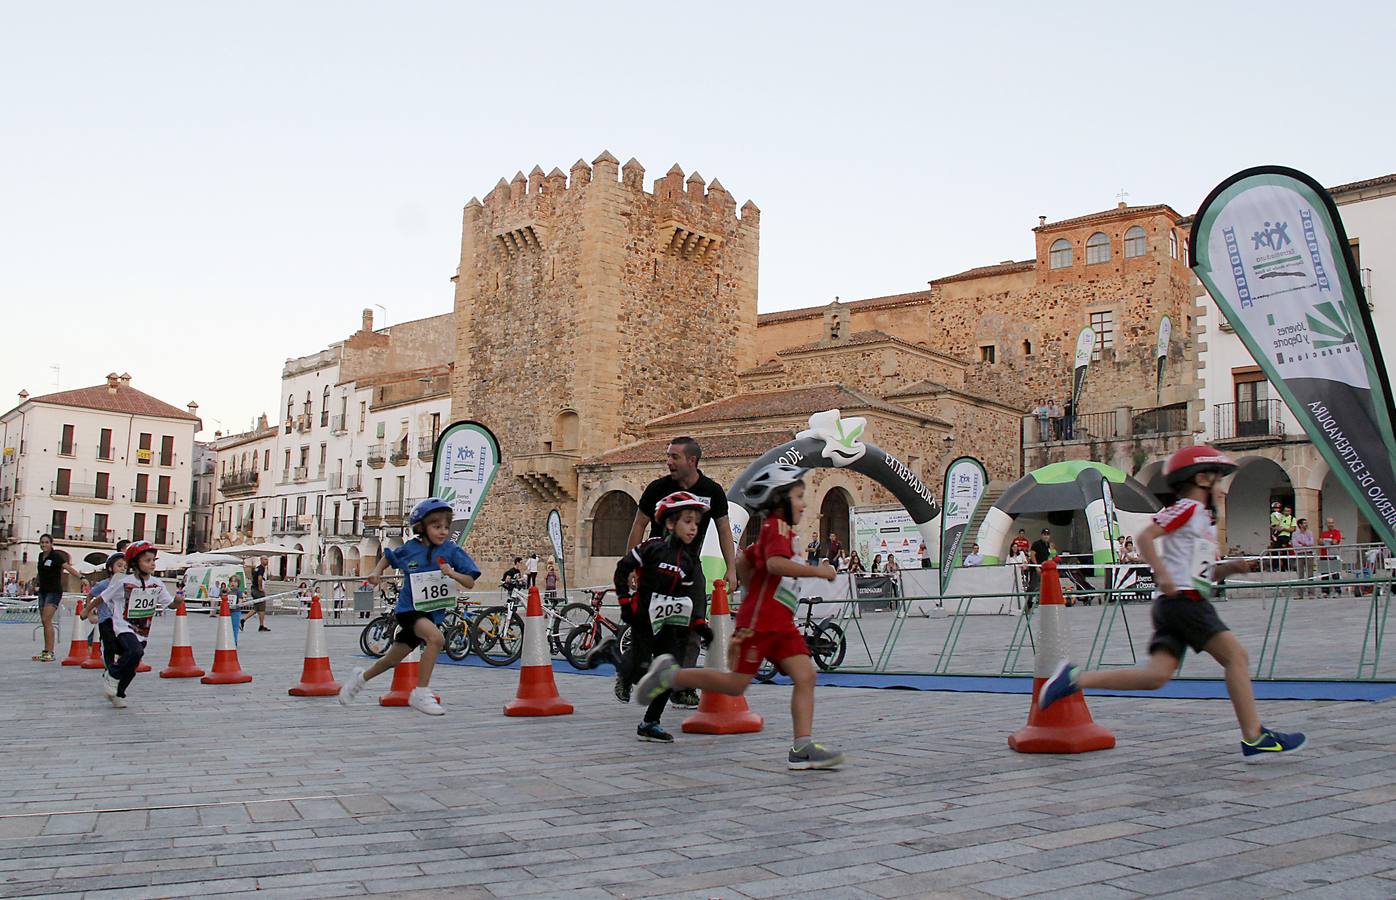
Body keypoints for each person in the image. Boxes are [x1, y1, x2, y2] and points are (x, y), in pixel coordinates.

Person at [1040, 445, 1306, 759]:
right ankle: (1253, 735)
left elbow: (1200, 573)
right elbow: (1146, 537)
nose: (1220, 486)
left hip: (1177, 602)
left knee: (1155, 676)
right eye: (1217, 478)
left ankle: (1072, 679)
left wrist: (1228, 569)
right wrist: (1162, 572)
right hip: (1184, 603)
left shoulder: (1201, 522)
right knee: (1237, 657)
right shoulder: (1188, 509)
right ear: (1203, 478)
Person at [634, 463, 844, 770]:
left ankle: (802, 746)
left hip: (779, 623)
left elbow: (749, 560)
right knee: (734, 684)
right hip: (762, 626)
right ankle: (671, 677)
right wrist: (819, 571)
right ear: (780, 499)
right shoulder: (777, 527)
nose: (804, 503)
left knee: (805, 676)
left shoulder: (783, 532)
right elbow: (774, 564)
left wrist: (750, 593)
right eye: (799, 496)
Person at [339, 498, 480, 716]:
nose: (442, 531)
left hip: (431, 614)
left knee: (392, 660)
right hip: (408, 610)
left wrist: (452, 573)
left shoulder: (452, 551)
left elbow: (470, 581)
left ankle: (360, 679)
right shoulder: (411, 548)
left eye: (446, 527)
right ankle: (421, 692)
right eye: (436, 526)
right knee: (437, 639)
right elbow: (388, 558)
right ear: (422, 527)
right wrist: (376, 572)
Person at [626, 436, 737, 710]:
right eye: (668, 456)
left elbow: (724, 530)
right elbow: (639, 525)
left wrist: (731, 569)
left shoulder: (712, 490)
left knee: (693, 626)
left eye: (674, 457)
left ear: (692, 460)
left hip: (690, 567)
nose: (668, 462)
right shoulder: (658, 488)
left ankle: (683, 688)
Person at [596, 492, 713, 741]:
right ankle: (611, 655)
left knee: (669, 672)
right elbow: (622, 569)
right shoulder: (651, 547)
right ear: (670, 523)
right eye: (687, 522)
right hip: (643, 617)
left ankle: (650, 722)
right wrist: (626, 603)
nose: (693, 528)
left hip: (669, 622)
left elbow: (687, 597)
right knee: (640, 672)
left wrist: (699, 626)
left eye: (696, 523)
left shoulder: (688, 561)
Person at [98, 542, 182, 707]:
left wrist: (177, 602)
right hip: (122, 626)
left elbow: (169, 604)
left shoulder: (157, 584)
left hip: (142, 630)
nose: (152, 564)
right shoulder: (123, 582)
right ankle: (113, 674)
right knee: (134, 651)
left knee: (133, 663)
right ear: (135, 563)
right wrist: (87, 610)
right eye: (147, 560)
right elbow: (103, 596)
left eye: (153, 560)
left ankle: (118, 693)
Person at [31, 534, 82, 662]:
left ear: (51, 543)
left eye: (46, 542)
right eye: (42, 542)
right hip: (43, 591)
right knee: (44, 622)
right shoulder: (41, 556)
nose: (44, 545)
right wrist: (36, 583)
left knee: (46, 619)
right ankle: (46, 651)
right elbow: (40, 572)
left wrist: (81, 578)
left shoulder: (56, 556)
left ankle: (50, 652)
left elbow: (68, 568)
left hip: (53, 592)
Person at [1026, 529, 1052, 609]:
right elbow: (1033, 555)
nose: (1046, 536)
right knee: (1033, 586)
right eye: (1044, 534)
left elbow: (1049, 556)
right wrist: (1036, 566)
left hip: (1045, 569)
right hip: (1036, 569)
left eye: (1047, 534)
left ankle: (1041, 602)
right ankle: (1027, 603)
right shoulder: (1036, 544)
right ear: (1041, 535)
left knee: (1043, 586)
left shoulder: (1048, 545)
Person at [242, 557, 269, 632]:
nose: (266, 561)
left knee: (256, 608)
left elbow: (252, 577)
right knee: (262, 608)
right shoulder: (261, 568)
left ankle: (243, 620)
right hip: (257, 590)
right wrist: (260, 588)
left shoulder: (256, 568)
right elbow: (259, 578)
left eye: (267, 559)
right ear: (261, 560)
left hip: (253, 589)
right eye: (265, 559)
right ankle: (261, 625)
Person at [1291, 518, 1316, 598]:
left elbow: (1311, 543)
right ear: (1300, 525)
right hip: (1299, 554)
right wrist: (1304, 545)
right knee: (1300, 574)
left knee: (1310, 574)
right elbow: (1295, 544)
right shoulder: (1295, 534)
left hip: (1308, 554)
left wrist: (1302, 543)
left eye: (1306, 523)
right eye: (1304, 523)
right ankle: (1300, 594)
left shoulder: (1310, 533)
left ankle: (1311, 593)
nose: (1306, 524)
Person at [1319, 517, 1343, 596]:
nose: (1331, 524)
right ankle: (1325, 591)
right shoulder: (1323, 533)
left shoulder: (1337, 532)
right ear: (1326, 524)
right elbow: (1319, 542)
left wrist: (1326, 540)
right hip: (1324, 555)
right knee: (1324, 575)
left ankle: (1337, 591)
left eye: (1332, 523)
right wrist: (1328, 540)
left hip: (1333, 555)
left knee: (1335, 574)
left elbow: (1335, 542)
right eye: (1329, 523)